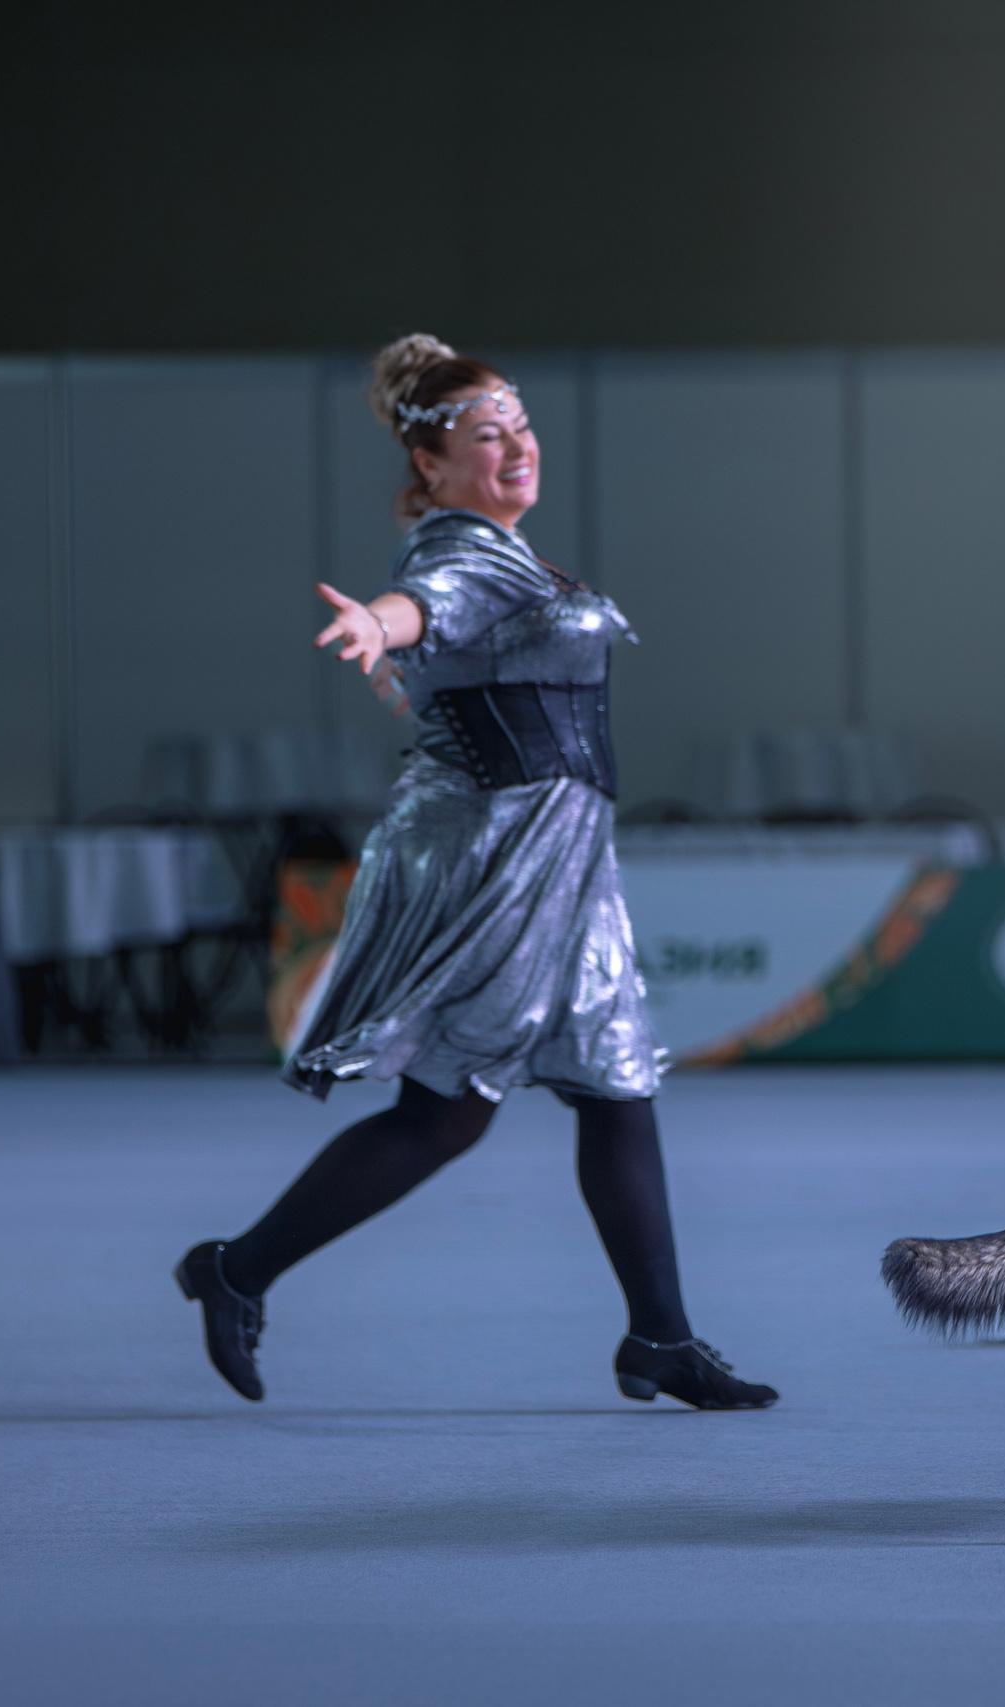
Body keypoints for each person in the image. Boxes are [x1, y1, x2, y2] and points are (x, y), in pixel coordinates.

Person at [175, 334, 776, 1411]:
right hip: (494, 854)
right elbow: (424, 606)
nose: (515, 448)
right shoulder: (462, 552)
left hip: (564, 855)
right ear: (430, 471)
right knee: (450, 1110)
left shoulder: (518, 555)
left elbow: (448, 676)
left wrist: (406, 673)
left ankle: (661, 1338)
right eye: (484, 436)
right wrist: (377, 621)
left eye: (521, 428)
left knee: (614, 1086)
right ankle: (238, 1268)